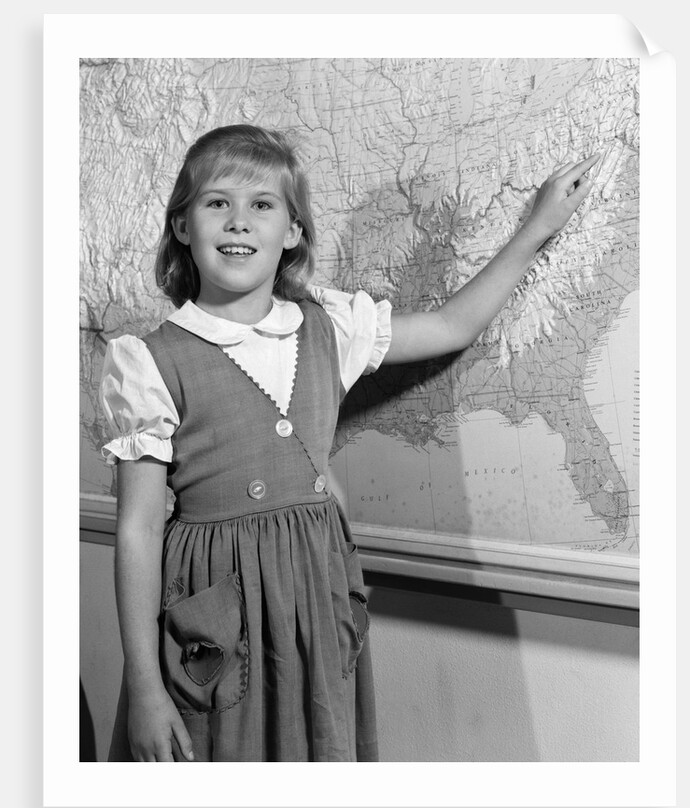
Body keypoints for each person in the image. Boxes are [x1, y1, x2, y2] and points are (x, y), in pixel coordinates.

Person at [99, 124, 599, 762]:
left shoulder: (327, 326)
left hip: (316, 596)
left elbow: (452, 325)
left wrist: (536, 229)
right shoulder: (148, 360)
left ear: (294, 232)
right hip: (217, 616)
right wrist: (144, 687)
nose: (239, 222)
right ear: (182, 226)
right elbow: (138, 530)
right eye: (216, 202)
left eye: (262, 205)